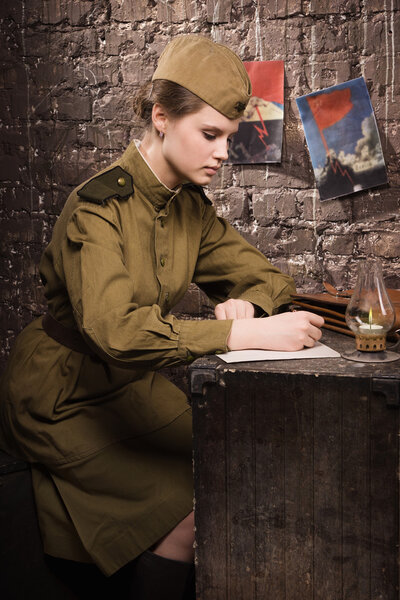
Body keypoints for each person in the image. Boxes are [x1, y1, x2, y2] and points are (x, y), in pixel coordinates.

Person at [0, 34, 324, 599]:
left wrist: (247, 301)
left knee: (226, 465)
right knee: (190, 507)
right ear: (160, 117)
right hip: (61, 392)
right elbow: (118, 333)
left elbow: (268, 279)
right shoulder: (96, 208)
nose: (224, 153)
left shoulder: (190, 209)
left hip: (130, 385)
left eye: (229, 137)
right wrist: (244, 330)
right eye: (210, 135)